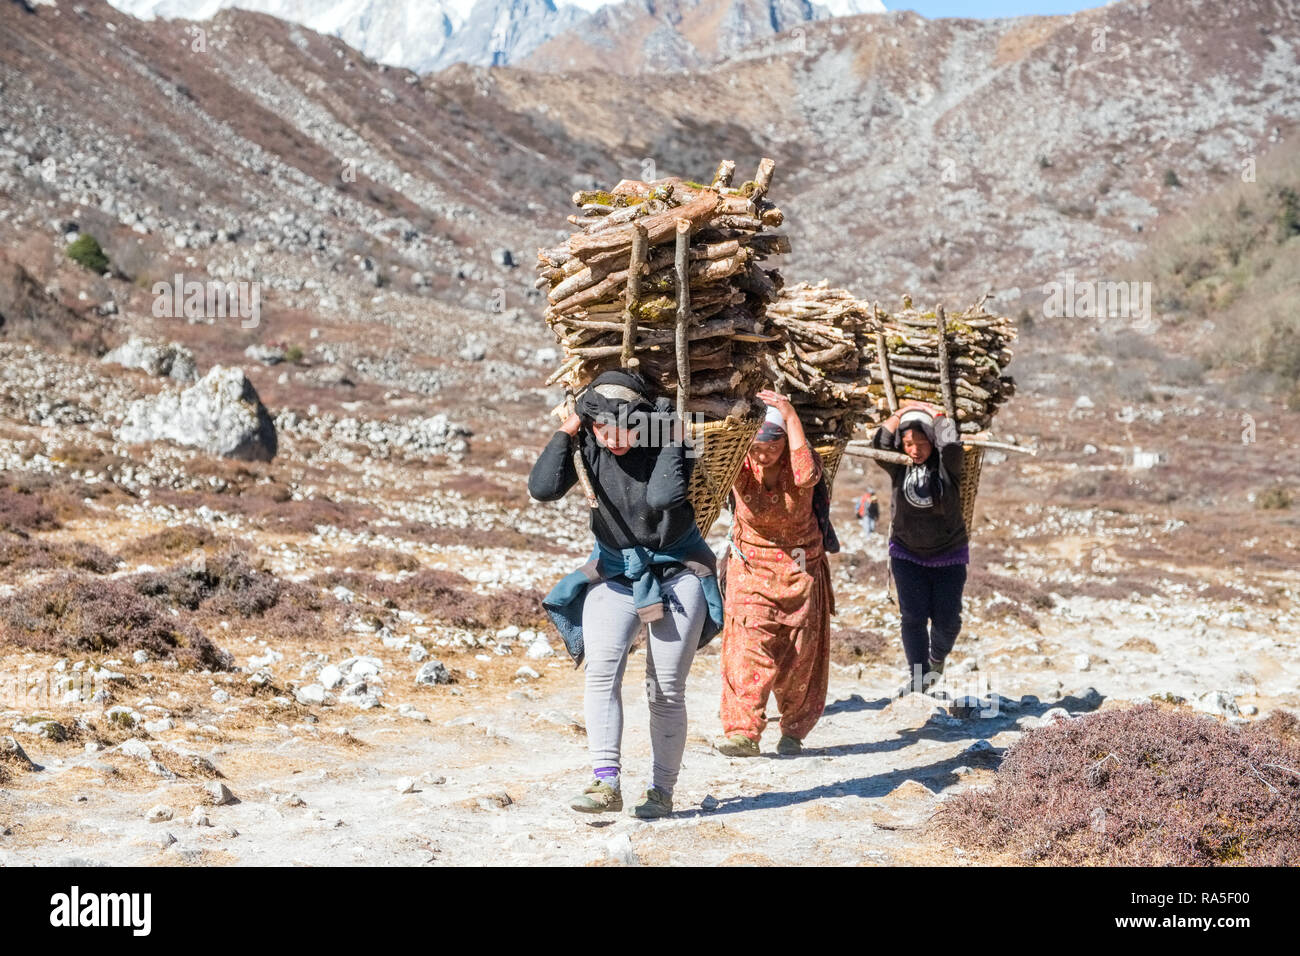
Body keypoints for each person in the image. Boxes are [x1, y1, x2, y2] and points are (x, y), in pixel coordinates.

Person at [528, 369, 723, 819]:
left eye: (621, 427)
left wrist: (670, 434)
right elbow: (542, 489)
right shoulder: (589, 442)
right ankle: (605, 782)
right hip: (614, 571)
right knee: (601, 672)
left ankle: (661, 790)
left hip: (677, 573)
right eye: (601, 427)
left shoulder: (670, 439)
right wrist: (571, 427)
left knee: (665, 689)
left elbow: (663, 497)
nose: (611, 436)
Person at [714, 390, 836, 758]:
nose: (762, 454)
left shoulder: (798, 465)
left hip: (800, 568)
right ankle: (743, 732)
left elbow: (807, 474)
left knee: (799, 657)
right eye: (756, 446)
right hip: (750, 568)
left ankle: (793, 731)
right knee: (747, 647)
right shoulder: (739, 462)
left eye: (771, 446)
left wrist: (790, 414)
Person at [869, 399, 968, 696]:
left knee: (948, 621)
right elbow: (879, 444)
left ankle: (937, 658)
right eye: (909, 443)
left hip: (948, 555)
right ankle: (919, 678)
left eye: (922, 442)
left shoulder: (947, 466)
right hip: (906, 553)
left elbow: (951, 446)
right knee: (912, 618)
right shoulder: (900, 468)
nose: (915, 450)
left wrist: (937, 416)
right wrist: (898, 415)